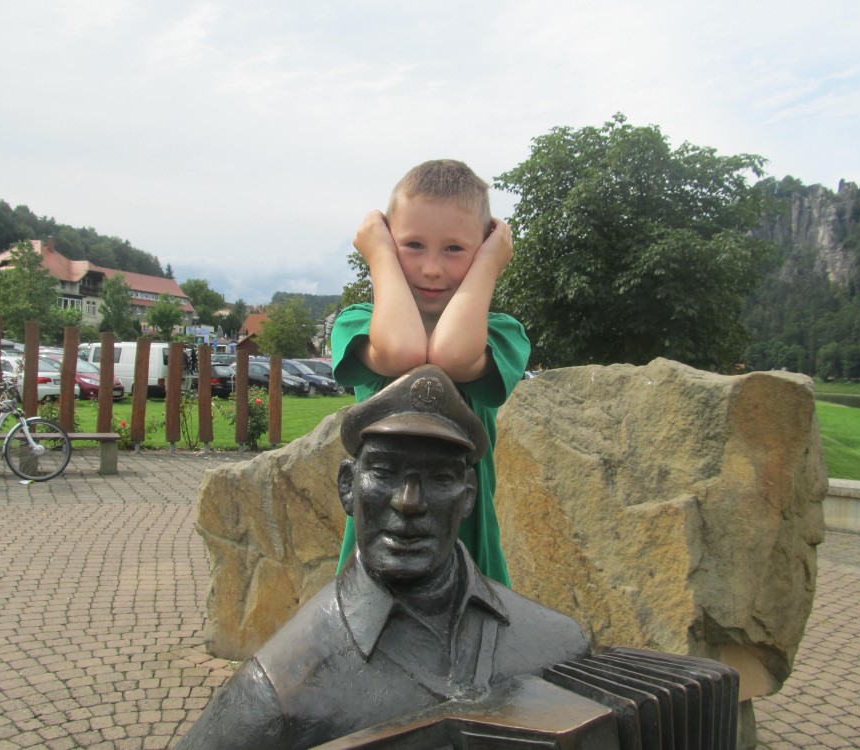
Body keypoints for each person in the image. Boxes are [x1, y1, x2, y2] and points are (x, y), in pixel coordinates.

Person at [172, 366, 589, 750]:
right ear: (347, 487)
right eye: (385, 472)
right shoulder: (279, 689)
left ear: (467, 497)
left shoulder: (557, 645)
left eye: (439, 477)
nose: (409, 502)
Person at [332, 159, 530, 587]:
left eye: (455, 249)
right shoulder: (357, 323)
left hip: (470, 561)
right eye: (413, 245)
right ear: (386, 240)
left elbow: (451, 356)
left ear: (485, 247)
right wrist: (380, 254)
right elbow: (402, 350)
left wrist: (489, 262)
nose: (432, 268)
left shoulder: (501, 335)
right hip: (378, 553)